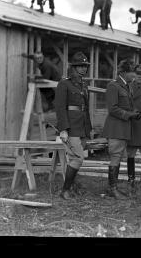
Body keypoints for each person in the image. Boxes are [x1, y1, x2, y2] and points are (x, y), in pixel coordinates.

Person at [54, 52, 93, 200]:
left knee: (74, 158)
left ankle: (72, 188)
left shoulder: (84, 84)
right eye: (80, 66)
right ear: (73, 67)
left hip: (82, 127)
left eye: (85, 66)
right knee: (78, 158)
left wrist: (88, 129)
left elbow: (86, 108)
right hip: (71, 127)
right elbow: (60, 107)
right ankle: (65, 190)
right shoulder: (65, 83)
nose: (83, 69)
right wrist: (63, 129)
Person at [102, 59, 141, 199]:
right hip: (116, 128)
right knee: (115, 157)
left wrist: (134, 113)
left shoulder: (127, 86)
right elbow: (112, 109)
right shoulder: (113, 86)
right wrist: (129, 115)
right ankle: (113, 189)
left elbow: (126, 105)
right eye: (132, 72)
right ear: (124, 72)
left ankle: (113, 188)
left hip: (123, 128)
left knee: (117, 157)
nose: (134, 75)